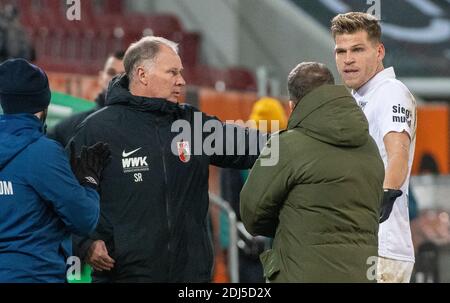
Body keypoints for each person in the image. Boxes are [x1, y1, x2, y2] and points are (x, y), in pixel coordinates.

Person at [70, 36, 263, 282]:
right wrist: (84, 244)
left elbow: (256, 145)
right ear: (142, 74)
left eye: (180, 73)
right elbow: (62, 196)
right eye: (172, 72)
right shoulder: (96, 131)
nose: (181, 81)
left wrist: (301, 136)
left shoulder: (192, 125)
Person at [240, 62, 384, 283]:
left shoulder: (284, 146)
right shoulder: (371, 147)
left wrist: (287, 221)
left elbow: (251, 214)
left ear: (292, 106)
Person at [0, 59, 110, 282]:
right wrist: (89, 181)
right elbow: (84, 218)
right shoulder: (42, 153)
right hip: (36, 275)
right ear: (43, 104)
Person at [331, 12, 417, 283]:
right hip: (363, 245)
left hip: (379, 246)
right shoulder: (361, 98)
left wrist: (386, 194)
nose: (348, 60)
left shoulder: (389, 91)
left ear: (379, 51)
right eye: (341, 51)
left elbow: (398, 151)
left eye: (357, 49)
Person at [219, 96, 287, 282]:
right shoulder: (236, 158)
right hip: (245, 246)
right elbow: (229, 207)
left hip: (272, 244)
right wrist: (231, 242)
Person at [47, 51, 125, 147]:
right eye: (111, 73)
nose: (116, 79)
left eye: (122, 75)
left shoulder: (144, 125)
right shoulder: (70, 128)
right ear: (101, 78)